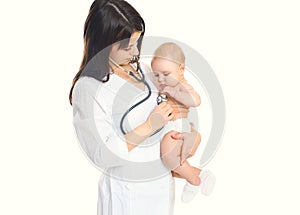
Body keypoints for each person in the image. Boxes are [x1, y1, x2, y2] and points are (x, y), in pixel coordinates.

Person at [69, 1, 201, 214]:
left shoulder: (147, 71)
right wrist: (149, 125)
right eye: (126, 46)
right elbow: (101, 153)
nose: (134, 52)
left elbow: (178, 109)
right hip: (127, 196)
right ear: (103, 43)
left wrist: (192, 136)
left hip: (160, 188)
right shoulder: (88, 88)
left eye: (136, 43)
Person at [151, 42, 216, 202]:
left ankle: (194, 181)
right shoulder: (165, 84)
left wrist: (174, 92)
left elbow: (195, 100)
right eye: (156, 75)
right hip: (168, 126)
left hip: (180, 125)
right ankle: (200, 174)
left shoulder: (181, 85)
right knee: (163, 167)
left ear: (181, 70)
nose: (161, 79)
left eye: (166, 74)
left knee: (168, 152)